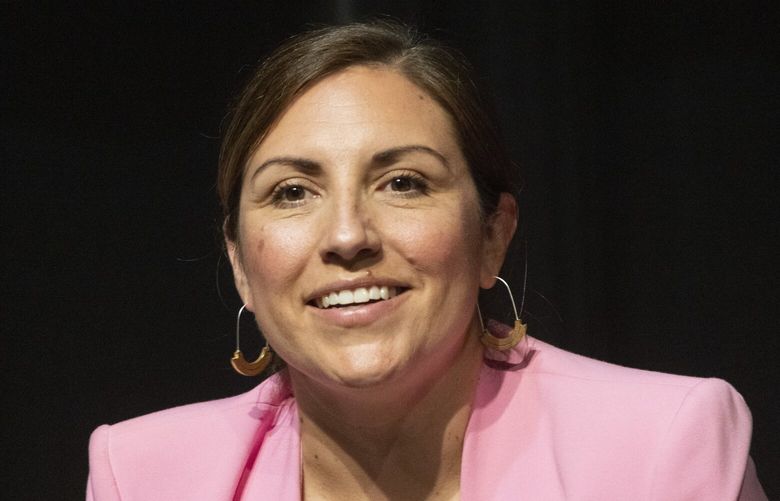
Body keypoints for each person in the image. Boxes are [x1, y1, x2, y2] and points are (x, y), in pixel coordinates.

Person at [86, 21, 767, 500]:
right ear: (240, 262)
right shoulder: (141, 473)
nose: (348, 235)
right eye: (293, 192)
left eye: (403, 182)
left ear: (493, 235)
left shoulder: (661, 445)